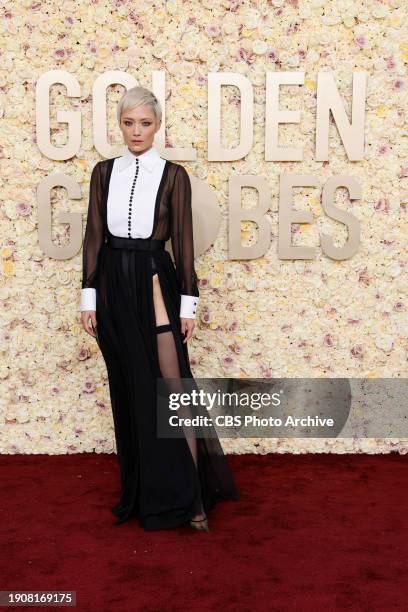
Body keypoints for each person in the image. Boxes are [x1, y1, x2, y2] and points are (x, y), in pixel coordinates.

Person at [80, 85, 239, 532]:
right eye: (129, 122)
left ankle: (192, 496)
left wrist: (188, 305)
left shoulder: (173, 176)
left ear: (157, 125)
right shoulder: (102, 172)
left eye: (145, 123)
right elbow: (94, 237)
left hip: (153, 279)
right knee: (130, 389)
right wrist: (87, 297)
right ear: (119, 124)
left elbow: (184, 246)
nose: (136, 131)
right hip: (112, 284)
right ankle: (146, 489)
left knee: (172, 384)